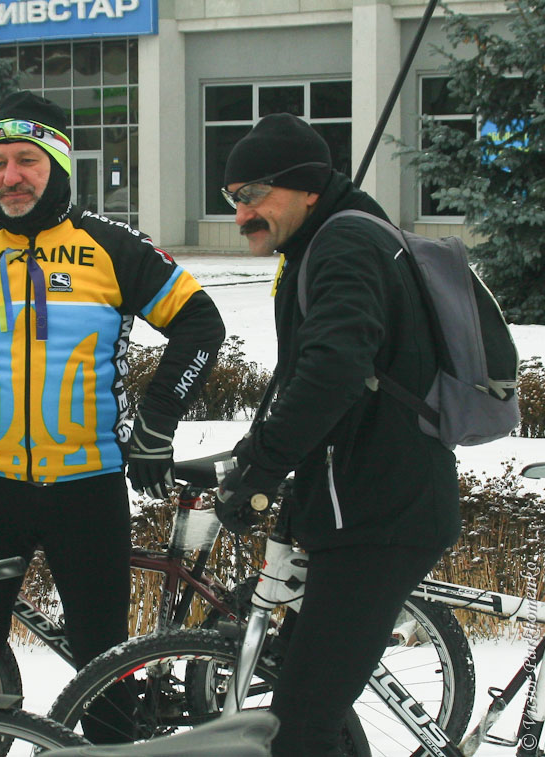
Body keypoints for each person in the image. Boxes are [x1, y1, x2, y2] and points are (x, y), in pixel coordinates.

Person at [0, 91, 225, 739]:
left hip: (86, 488)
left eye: (27, 161)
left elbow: (200, 324)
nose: (10, 177)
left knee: (103, 667)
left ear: (59, 163)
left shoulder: (110, 245)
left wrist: (155, 425)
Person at [215, 113, 461, 755]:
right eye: (232, 197)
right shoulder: (330, 239)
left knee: (301, 728)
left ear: (308, 188)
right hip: (360, 504)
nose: (241, 214)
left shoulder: (344, 245)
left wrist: (263, 466)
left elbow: (334, 371)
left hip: (381, 516)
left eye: (252, 195)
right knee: (303, 706)